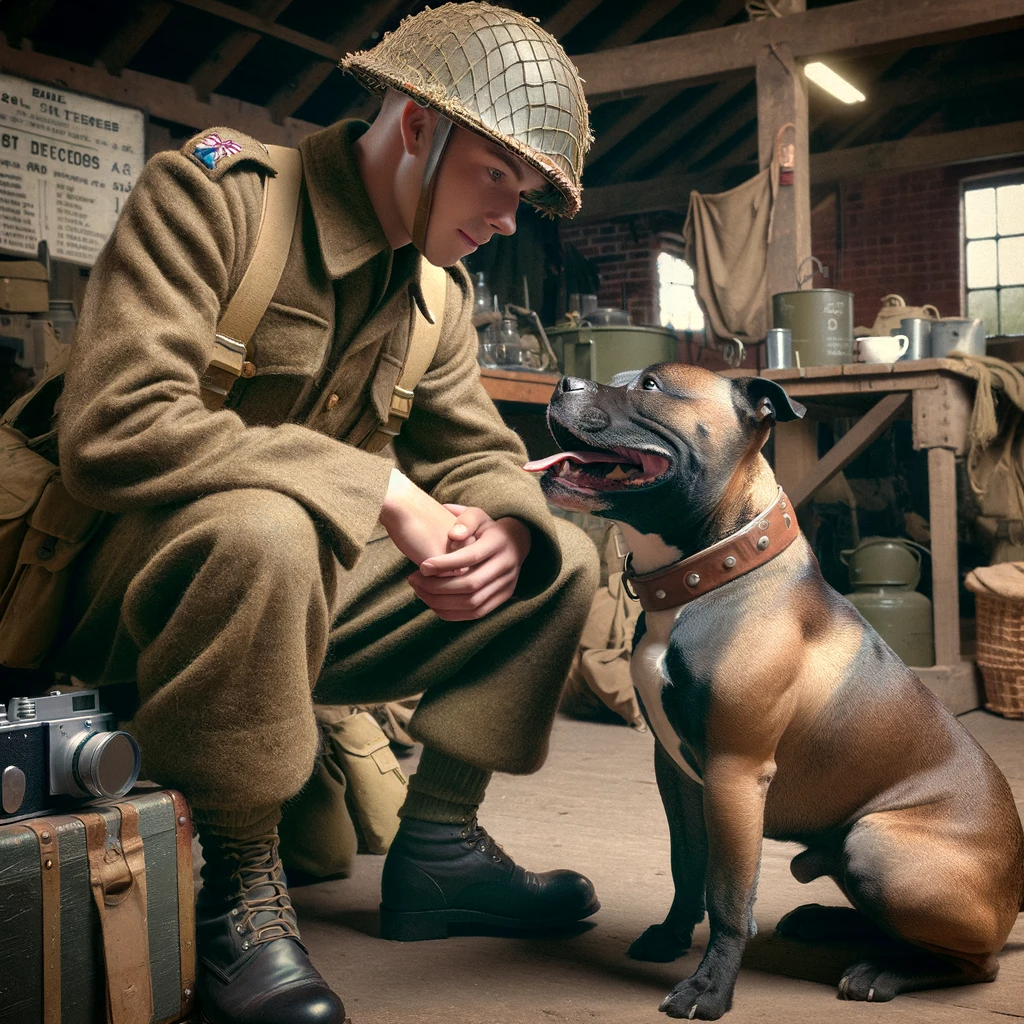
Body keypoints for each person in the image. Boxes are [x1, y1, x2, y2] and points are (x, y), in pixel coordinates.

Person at [46, 4, 599, 1023]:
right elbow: (114, 425)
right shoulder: (215, 198)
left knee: (560, 555)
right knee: (270, 526)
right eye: (495, 177)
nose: (508, 216)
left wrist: (506, 528)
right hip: (115, 594)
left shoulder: (436, 295)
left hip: (286, 598)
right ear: (418, 127)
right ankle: (232, 887)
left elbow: (478, 451)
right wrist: (379, 488)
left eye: (523, 195)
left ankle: (438, 851)